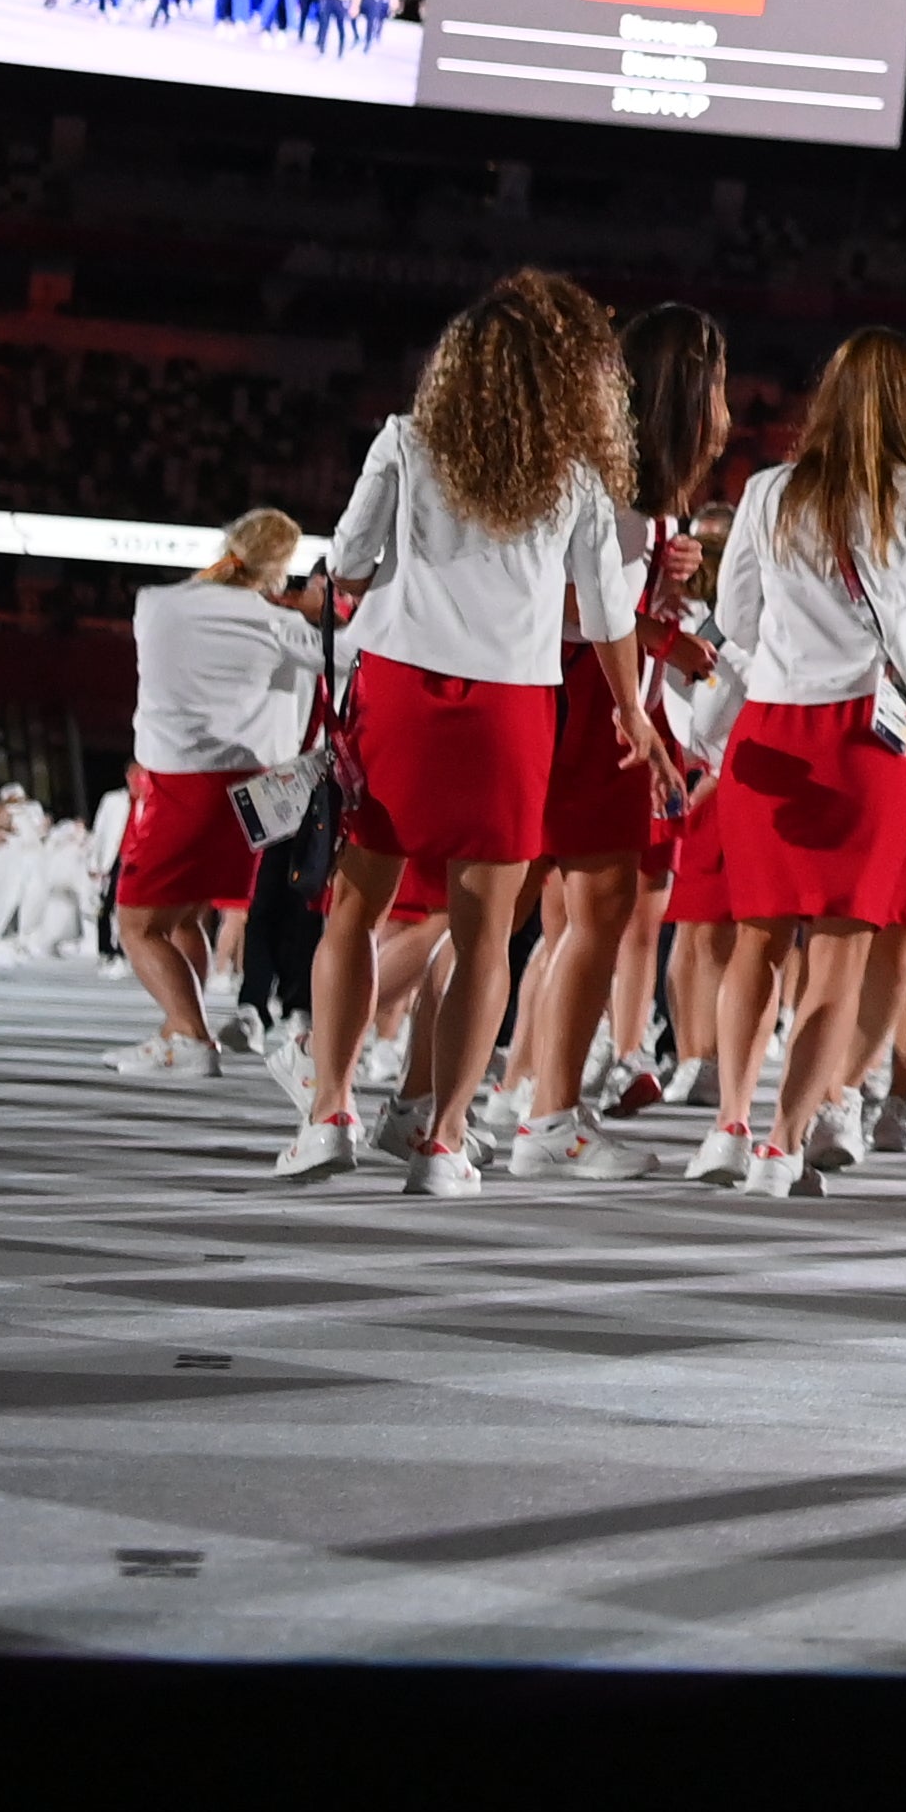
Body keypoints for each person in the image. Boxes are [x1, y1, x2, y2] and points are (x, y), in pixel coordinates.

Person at [292, 272, 649, 1194]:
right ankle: (443, 1142)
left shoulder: (406, 442)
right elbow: (608, 609)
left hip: (402, 696)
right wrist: (630, 707)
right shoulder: (573, 479)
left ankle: (329, 1110)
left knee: (356, 911)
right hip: (511, 711)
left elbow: (352, 563)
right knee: (485, 935)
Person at [699, 325, 906, 1197]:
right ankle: (783, 1141)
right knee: (839, 959)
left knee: (756, 941)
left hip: (773, 724)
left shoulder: (767, 493)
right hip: (868, 741)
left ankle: (730, 1123)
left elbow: (733, 619)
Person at [501, 303, 724, 1178]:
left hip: (577, 693)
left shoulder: (629, 485)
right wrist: (656, 635)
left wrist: (663, 598)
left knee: (526, 914)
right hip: (579, 697)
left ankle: (463, 1106)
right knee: (552, 911)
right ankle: (540, 1114)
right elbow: (558, 602)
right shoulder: (596, 475)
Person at [111, 509, 322, 1077]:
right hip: (247, 793)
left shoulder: (156, 603)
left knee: (135, 926)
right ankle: (178, 1030)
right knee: (186, 920)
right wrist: (313, 611)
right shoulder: (280, 624)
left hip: (178, 784)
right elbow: (347, 654)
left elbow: (184, 607)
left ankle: (191, 1035)